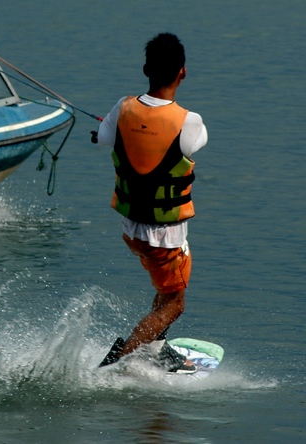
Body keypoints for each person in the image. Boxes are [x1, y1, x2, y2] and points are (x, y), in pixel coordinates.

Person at [94, 33, 208, 373]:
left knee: (166, 289)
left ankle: (156, 349)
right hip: (164, 236)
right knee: (174, 305)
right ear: (182, 73)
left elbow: (104, 137)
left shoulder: (122, 107)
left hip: (133, 230)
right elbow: (194, 144)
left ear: (146, 69)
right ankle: (120, 359)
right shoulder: (189, 122)